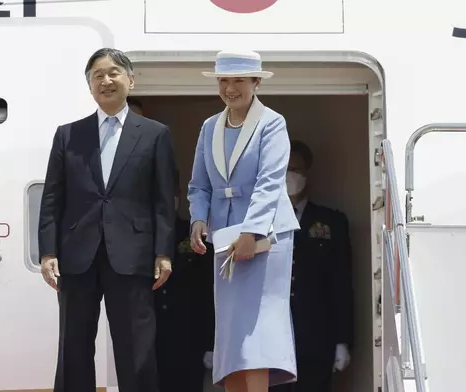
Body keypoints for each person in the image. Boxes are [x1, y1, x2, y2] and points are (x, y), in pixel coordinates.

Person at [38, 47, 177, 392]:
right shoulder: (68, 134)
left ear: (130, 80)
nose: (106, 80)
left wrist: (163, 252)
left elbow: (163, 200)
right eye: (97, 75)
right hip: (77, 255)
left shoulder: (154, 134)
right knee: (74, 346)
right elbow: (53, 197)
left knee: (136, 348)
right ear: (89, 86)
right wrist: (47, 252)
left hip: (133, 254)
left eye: (114, 72)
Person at [187, 50, 300, 392]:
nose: (230, 88)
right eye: (224, 80)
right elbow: (198, 185)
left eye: (238, 80)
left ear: (256, 82)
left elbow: (270, 182)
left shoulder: (272, 123)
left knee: (259, 329)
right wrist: (197, 220)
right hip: (225, 238)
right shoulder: (209, 127)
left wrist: (252, 232)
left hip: (267, 237)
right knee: (232, 331)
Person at [269, 140, 354, 392]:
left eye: (296, 170)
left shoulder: (331, 222)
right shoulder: (260, 222)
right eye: (285, 169)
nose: (290, 176)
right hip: (271, 340)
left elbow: (341, 283)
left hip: (317, 336)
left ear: (307, 173)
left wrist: (342, 340)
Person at [155, 180, 216, 392]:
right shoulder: (140, 238)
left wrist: (210, 342)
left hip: (189, 338)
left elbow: (208, 292)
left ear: (178, 193)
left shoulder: (194, 234)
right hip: (151, 337)